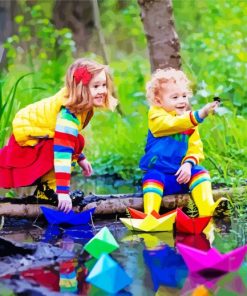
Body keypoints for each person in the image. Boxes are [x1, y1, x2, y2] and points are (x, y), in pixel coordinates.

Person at [0, 58, 117, 213]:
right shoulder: (68, 115)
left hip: (43, 136)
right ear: (80, 89)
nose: (102, 90)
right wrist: (62, 192)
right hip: (28, 140)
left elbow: (68, 138)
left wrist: (80, 157)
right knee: (66, 147)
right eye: (96, 86)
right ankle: (49, 190)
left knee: (76, 141)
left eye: (103, 85)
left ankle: (47, 190)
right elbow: (62, 151)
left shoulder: (84, 107)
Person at [139, 68, 227, 217]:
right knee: (152, 177)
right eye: (175, 97)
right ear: (158, 101)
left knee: (200, 172)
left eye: (184, 96)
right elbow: (172, 124)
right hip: (161, 175)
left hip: (182, 175)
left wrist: (188, 164)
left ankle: (207, 209)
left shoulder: (189, 121)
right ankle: (151, 216)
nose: (182, 101)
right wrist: (200, 115)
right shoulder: (156, 116)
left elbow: (195, 148)